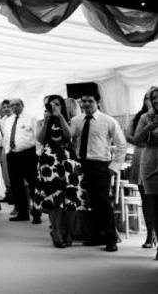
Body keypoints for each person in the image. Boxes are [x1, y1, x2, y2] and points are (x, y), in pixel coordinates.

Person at [70, 91, 127, 251]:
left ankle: (111, 239)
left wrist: (114, 167)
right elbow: (70, 139)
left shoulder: (108, 121)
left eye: (90, 101)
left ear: (97, 102)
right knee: (87, 203)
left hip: (101, 166)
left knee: (103, 204)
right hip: (81, 165)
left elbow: (121, 144)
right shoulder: (76, 120)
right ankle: (95, 236)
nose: (86, 104)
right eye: (83, 101)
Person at [33, 94, 88, 248]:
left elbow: (69, 135)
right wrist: (46, 121)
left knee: (71, 197)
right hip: (49, 162)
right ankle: (56, 232)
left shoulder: (71, 120)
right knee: (53, 197)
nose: (54, 106)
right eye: (51, 104)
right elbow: (41, 139)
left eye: (57, 104)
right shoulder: (42, 121)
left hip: (69, 160)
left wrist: (60, 117)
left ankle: (68, 232)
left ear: (62, 106)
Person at [127, 87, 158, 249]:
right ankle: (152, 237)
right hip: (146, 158)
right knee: (150, 202)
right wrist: (148, 128)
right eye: (150, 98)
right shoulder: (143, 117)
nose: (154, 101)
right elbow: (133, 138)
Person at [1, 98, 41, 224]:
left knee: (33, 184)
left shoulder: (31, 118)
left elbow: (38, 137)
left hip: (29, 154)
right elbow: (6, 137)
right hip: (13, 156)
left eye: (17, 105)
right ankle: (22, 213)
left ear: (22, 105)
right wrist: (8, 151)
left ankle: (36, 213)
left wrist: (38, 154)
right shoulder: (8, 120)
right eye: (12, 105)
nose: (14, 107)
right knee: (16, 185)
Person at [0, 99, 13, 204]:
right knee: (6, 173)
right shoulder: (2, 120)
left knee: (11, 173)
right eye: (3, 107)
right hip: (3, 148)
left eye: (7, 107)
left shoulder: (14, 118)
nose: (4, 109)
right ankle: (10, 194)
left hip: (12, 148)